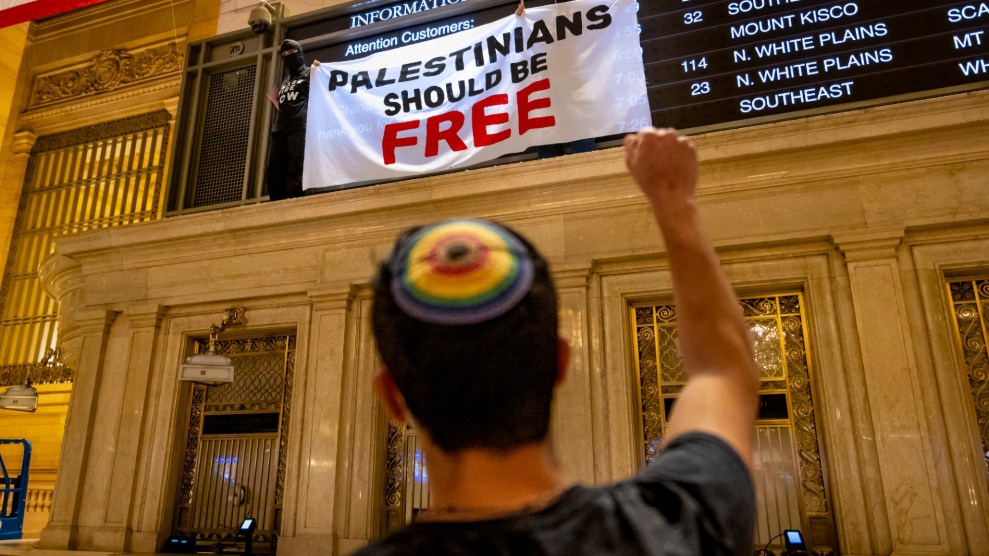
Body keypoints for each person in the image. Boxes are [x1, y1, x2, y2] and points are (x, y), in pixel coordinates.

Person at [364, 128, 759, 555]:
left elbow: (723, 371)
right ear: (559, 363)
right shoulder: (677, 525)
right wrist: (672, 198)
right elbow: (723, 369)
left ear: (392, 397)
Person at [265, 39, 316, 201]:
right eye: (284, 54)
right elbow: (290, 104)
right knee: (274, 170)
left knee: (296, 168)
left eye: (292, 53)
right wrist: (275, 102)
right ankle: (276, 207)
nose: (288, 56)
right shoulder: (286, 80)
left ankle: (296, 205)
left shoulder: (309, 73)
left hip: (299, 126)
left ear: (300, 53)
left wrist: (319, 70)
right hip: (280, 129)